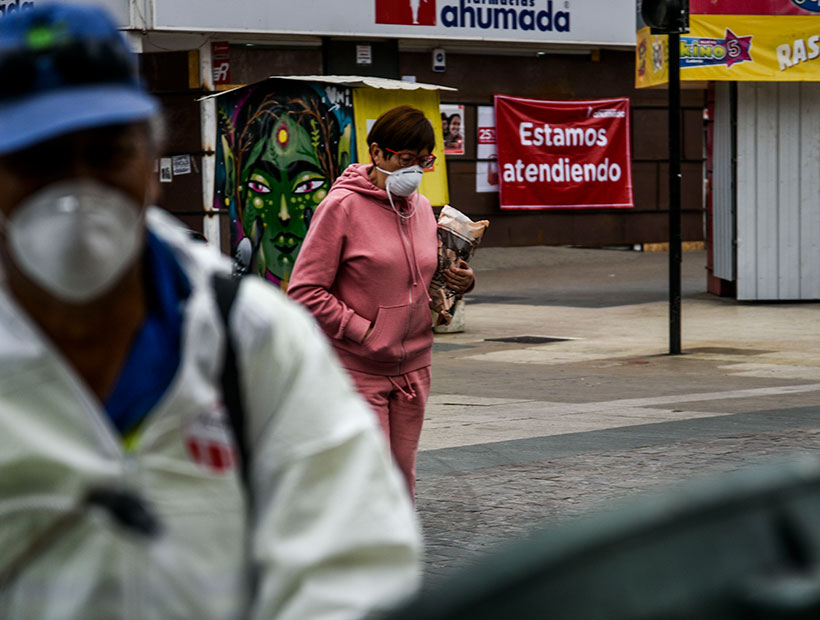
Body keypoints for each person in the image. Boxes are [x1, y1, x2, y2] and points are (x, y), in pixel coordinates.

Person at [0, 4, 421, 619]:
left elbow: (352, 558)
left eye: (107, 154)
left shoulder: (249, 337)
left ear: (149, 167)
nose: (77, 192)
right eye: (37, 163)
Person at [288, 105, 475, 498]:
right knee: (368, 477)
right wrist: (364, 332)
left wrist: (461, 281)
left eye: (424, 162)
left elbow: (426, 277)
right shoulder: (341, 207)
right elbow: (305, 291)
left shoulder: (423, 209)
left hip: (414, 367)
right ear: (377, 153)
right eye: (406, 160)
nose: (415, 171)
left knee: (401, 475)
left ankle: (397, 554)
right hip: (359, 368)